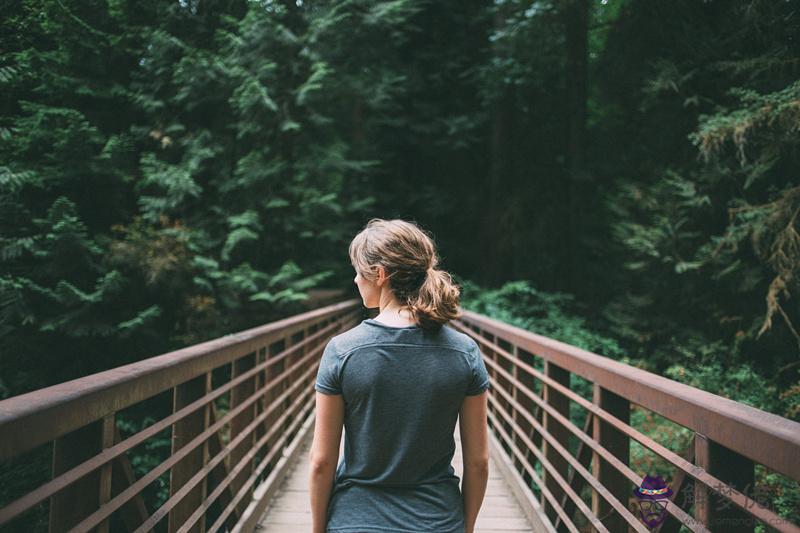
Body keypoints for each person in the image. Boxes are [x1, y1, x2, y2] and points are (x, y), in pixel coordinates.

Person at [308, 218, 492, 533]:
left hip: (357, 521)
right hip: (437, 521)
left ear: (379, 274)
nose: (355, 280)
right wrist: (466, 527)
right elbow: (479, 463)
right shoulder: (464, 352)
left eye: (358, 271)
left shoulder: (343, 351)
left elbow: (321, 462)